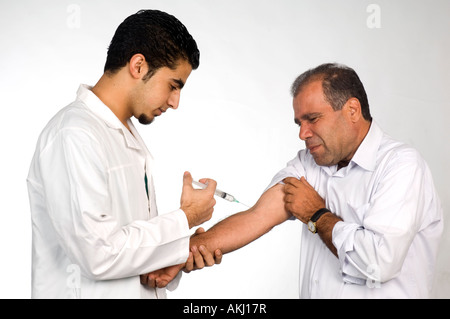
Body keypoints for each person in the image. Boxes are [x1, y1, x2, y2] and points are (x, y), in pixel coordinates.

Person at [144, 63, 444, 298]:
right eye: (299, 123)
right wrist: (181, 252)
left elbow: (379, 262)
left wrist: (317, 215)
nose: (302, 134)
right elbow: (257, 216)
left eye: (312, 119)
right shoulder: (310, 162)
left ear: (352, 110)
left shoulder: (401, 166)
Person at [27, 9, 222, 299]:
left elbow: (132, 253)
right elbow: (98, 254)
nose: (175, 102)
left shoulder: (121, 134)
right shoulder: (74, 134)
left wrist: (177, 253)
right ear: (139, 65)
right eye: (173, 85)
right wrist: (185, 220)